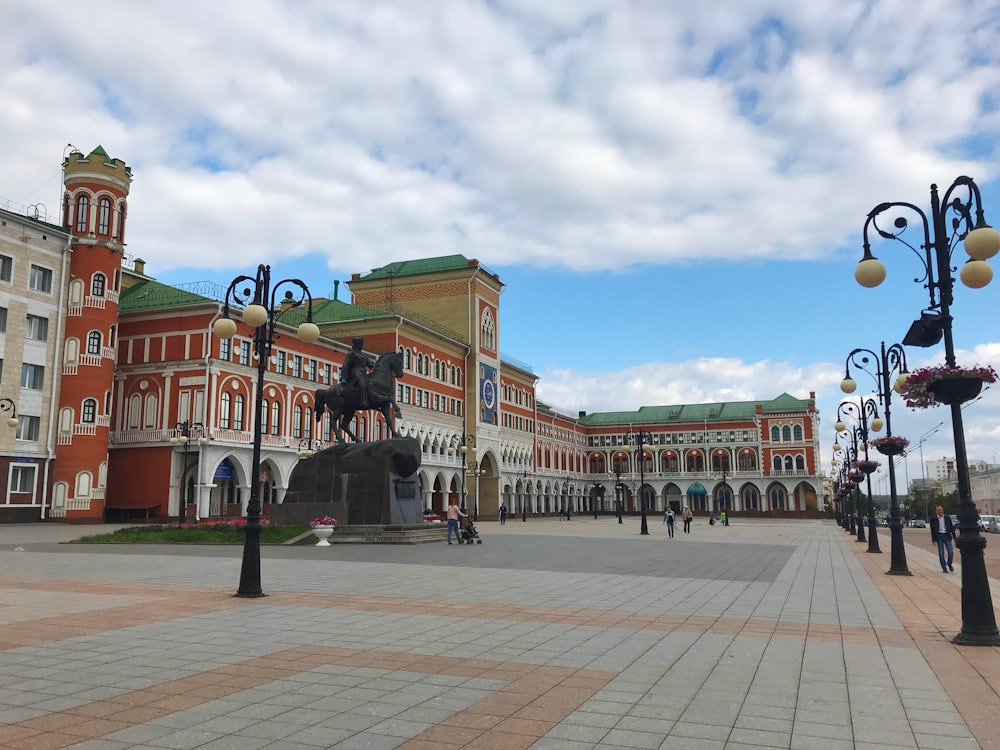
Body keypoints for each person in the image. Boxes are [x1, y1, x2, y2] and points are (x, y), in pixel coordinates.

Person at [341, 337, 373, 408]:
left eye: (362, 343)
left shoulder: (363, 355)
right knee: (363, 384)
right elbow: (346, 365)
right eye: (360, 344)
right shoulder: (352, 353)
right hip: (355, 372)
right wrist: (343, 378)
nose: (362, 345)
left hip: (363, 372)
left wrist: (374, 365)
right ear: (357, 345)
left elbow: (369, 364)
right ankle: (363, 401)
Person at [929, 505, 956, 573]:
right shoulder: (933, 519)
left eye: (941, 510)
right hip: (939, 536)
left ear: (943, 510)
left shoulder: (947, 517)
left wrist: (954, 537)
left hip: (947, 535)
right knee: (941, 552)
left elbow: (951, 527)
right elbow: (932, 530)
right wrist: (933, 540)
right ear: (936, 511)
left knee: (950, 552)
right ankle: (944, 567)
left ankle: (949, 564)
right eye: (938, 511)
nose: (940, 512)